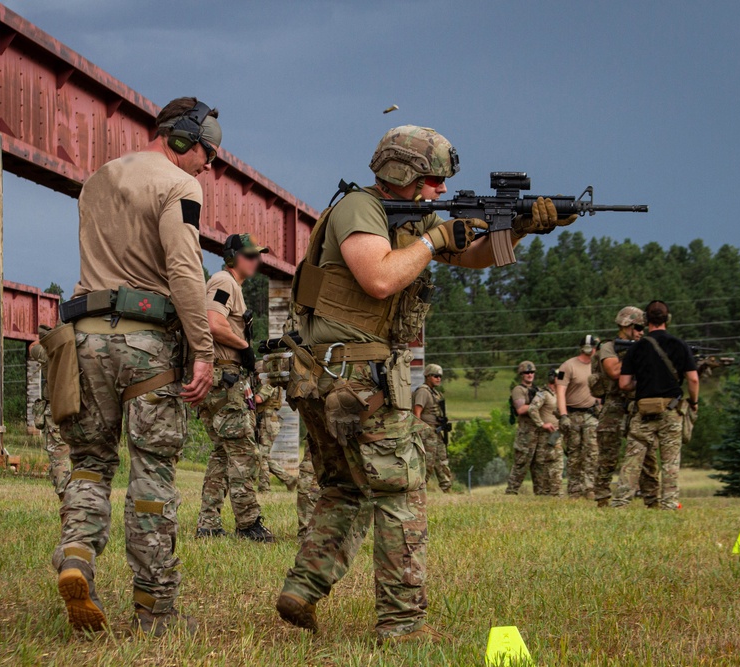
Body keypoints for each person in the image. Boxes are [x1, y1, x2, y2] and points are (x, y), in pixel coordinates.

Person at [276, 125, 576, 643]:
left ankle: (303, 589)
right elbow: (381, 278)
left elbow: (473, 256)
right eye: (433, 179)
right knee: (402, 492)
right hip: (353, 375)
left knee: (348, 488)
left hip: (332, 374)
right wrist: (436, 238)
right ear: (403, 172)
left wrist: (521, 226)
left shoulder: (411, 216)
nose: (439, 191)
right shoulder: (360, 209)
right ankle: (402, 625)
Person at [51, 97, 218, 636]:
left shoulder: (96, 179)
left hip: (82, 339)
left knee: (89, 463)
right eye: (207, 152)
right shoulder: (179, 185)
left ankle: (76, 554)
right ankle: (155, 612)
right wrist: (204, 349)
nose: (209, 165)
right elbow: (185, 269)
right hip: (146, 346)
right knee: (153, 475)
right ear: (179, 140)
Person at [196, 233, 276, 542]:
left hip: (223, 379)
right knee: (244, 452)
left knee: (222, 454)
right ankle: (248, 524)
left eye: (257, 255)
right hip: (223, 380)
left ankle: (208, 523)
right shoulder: (224, 281)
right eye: (249, 255)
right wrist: (244, 346)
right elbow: (213, 323)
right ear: (233, 257)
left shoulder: (230, 286)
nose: (255, 260)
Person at [611, 301, 699, 510]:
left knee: (633, 459)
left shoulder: (637, 348)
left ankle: (621, 502)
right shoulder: (679, 345)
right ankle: (669, 503)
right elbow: (693, 380)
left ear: (646, 322)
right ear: (667, 320)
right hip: (671, 410)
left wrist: (642, 383)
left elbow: (624, 383)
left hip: (643, 411)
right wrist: (693, 402)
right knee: (670, 462)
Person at [593, 307, 660, 508]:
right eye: (638, 327)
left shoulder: (643, 346)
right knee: (608, 455)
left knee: (647, 455)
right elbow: (614, 371)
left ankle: (652, 499)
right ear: (625, 325)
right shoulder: (609, 347)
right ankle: (602, 497)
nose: (641, 332)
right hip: (614, 404)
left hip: (638, 404)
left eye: (643, 328)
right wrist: (640, 359)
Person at [556, 336, 600, 499]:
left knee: (592, 452)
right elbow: (560, 391)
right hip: (573, 414)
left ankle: (589, 488)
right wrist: (563, 415)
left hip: (591, 414)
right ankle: (574, 489)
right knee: (574, 454)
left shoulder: (598, 366)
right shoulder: (567, 366)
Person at [30, 342, 70, 500]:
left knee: (59, 455)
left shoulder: (53, 354)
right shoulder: (87, 354)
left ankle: (65, 495)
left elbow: (32, 347)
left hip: (56, 411)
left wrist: (49, 339)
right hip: (84, 411)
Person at [253, 362, 297, 492]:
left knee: (261, 455)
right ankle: (288, 479)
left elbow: (259, 399)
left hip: (268, 422)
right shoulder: (267, 383)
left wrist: (244, 394)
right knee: (264, 455)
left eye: (256, 374)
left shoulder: (268, 384)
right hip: (266, 421)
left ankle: (264, 487)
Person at [411, 363, 453, 493]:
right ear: (428, 376)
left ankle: (447, 488)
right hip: (427, 433)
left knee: (441, 461)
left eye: (440, 376)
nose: (438, 378)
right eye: (435, 376)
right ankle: (419, 491)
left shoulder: (435, 393)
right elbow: (416, 412)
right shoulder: (423, 392)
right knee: (426, 463)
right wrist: (419, 431)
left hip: (436, 432)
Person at [526, 369, 564, 496]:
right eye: (560, 377)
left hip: (558, 433)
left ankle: (555, 492)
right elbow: (532, 409)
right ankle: (544, 492)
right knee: (543, 464)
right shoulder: (543, 394)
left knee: (557, 463)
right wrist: (542, 424)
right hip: (546, 434)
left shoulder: (560, 393)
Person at [505, 361, 539, 494]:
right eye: (526, 372)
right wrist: (538, 404)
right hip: (526, 433)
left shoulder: (536, 390)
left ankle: (541, 493)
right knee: (521, 463)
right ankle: (511, 491)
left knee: (538, 465)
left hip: (538, 431)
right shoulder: (518, 390)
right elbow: (520, 409)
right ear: (521, 374)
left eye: (532, 372)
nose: (529, 375)